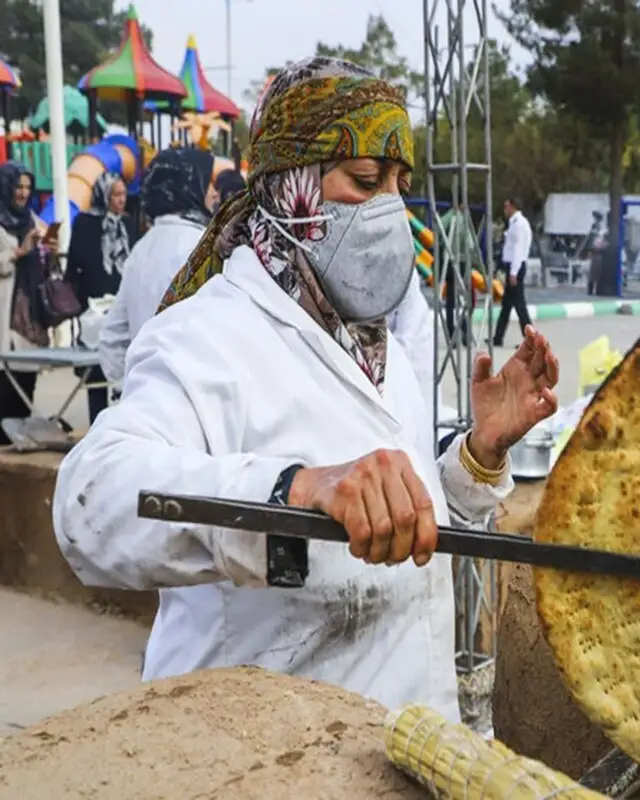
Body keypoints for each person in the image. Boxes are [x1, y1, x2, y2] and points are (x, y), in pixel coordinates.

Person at [53, 57, 559, 720]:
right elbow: (89, 502)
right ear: (291, 183)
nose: (389, 209)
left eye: (399, 184)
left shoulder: (378, 349)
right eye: (365, 180)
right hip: (262, 755)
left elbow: (407, 516)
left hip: (396, 739)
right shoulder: (207, 337)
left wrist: (475, 457)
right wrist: (293, 489)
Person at [96, 148, 217, 387]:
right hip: (194, 399)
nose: (214, 194)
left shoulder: (141, 249)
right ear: (189, 188)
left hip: (148, 401)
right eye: (207, 184)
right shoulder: (203, 248)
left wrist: (129, 388)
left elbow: (112, 336)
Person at [66, 172, 137, 422]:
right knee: (95, 373)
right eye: (115, 195)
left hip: (121, 304)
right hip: (93, 308)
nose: (121, 200)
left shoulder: (128, 224)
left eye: (123, 195)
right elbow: (76, 263)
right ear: (104, 195)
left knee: (124, 370)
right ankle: (96, 422)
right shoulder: (85, 223)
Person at [0, 162, 59, 444]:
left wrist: (50, 250)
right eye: (17, 187)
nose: (22, 193)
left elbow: (46, 266)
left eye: (27, 187)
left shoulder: (34, 221)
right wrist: (19, 251)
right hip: (5, 313)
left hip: (29, 318)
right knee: (5, 386)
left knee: (26, 384)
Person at [492, 196, 533, 347]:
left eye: (506, 206)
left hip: (515, 268)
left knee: (519, 305)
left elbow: (518, 250)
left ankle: (531, 340)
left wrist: (513, 272)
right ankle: (497, 337)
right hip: (512, 267)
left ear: (513, 207)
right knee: (507, 305)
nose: (505, 209)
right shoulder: (515, 223)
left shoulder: (518, 224)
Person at [438, 203, 477, 344]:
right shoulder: (459, 217)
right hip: (460, 261)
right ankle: (465, 332)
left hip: (450, 260)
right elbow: (471, 244)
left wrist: (444, 244)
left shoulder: (450, 217)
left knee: (451, 300)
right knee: (464, 300)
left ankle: (452, 335)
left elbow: (438, 229)